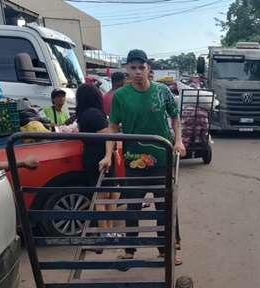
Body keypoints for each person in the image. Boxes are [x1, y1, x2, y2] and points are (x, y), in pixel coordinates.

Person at [99, 49, 186, 267]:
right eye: (133, 68)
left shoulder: (163, 91)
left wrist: (178, 141)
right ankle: (130, 250)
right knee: (133, 207)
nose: (138, 72)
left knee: (165, 207)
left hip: (162, 160)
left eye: (142, 67)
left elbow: (175, 117)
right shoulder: (120, 95)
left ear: (148, 69)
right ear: (127, 70)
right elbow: (111, 126)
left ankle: (166, 250)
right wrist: (108, 155)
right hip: (133, 162)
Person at [75, 82, 121, 237]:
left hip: (95, 155)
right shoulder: (93, 113)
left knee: (112, 192)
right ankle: (104, 232)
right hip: (99, 156)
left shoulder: (84, 113)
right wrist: (117, 126)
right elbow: (105, 132)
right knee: (103, 195)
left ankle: (108, 231)